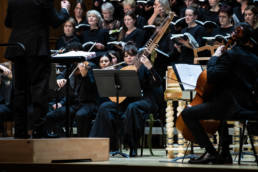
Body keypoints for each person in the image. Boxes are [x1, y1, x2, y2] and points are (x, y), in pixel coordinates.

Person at [180, 23, 258, 164]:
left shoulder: (230, 55)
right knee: (218, 108)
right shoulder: (254, 58)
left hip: (230, 106)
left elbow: (212, 76)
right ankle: (225, 154)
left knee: (187, 114)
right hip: (249, 106)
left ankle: (211, 153)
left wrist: (215, 57)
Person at [4, 0, 70, 138]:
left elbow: (8, 23)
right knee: (39, 89)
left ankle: (20, 132)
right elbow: (55, 21)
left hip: (17, 47)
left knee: (19, 91)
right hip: (37, 48)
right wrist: (64, 10)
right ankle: (39, 130)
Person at [89, 42, 163, 157]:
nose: (128, 57)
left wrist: (150, 67)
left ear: (137, 56)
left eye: (131, 55)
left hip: (144, 100)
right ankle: (101, 145)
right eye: (125, 55)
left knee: (132, 108)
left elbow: (158, 82)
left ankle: (132, 145)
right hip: (126, 101)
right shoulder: (122, 69)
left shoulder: (144, 68)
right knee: (105, 107)